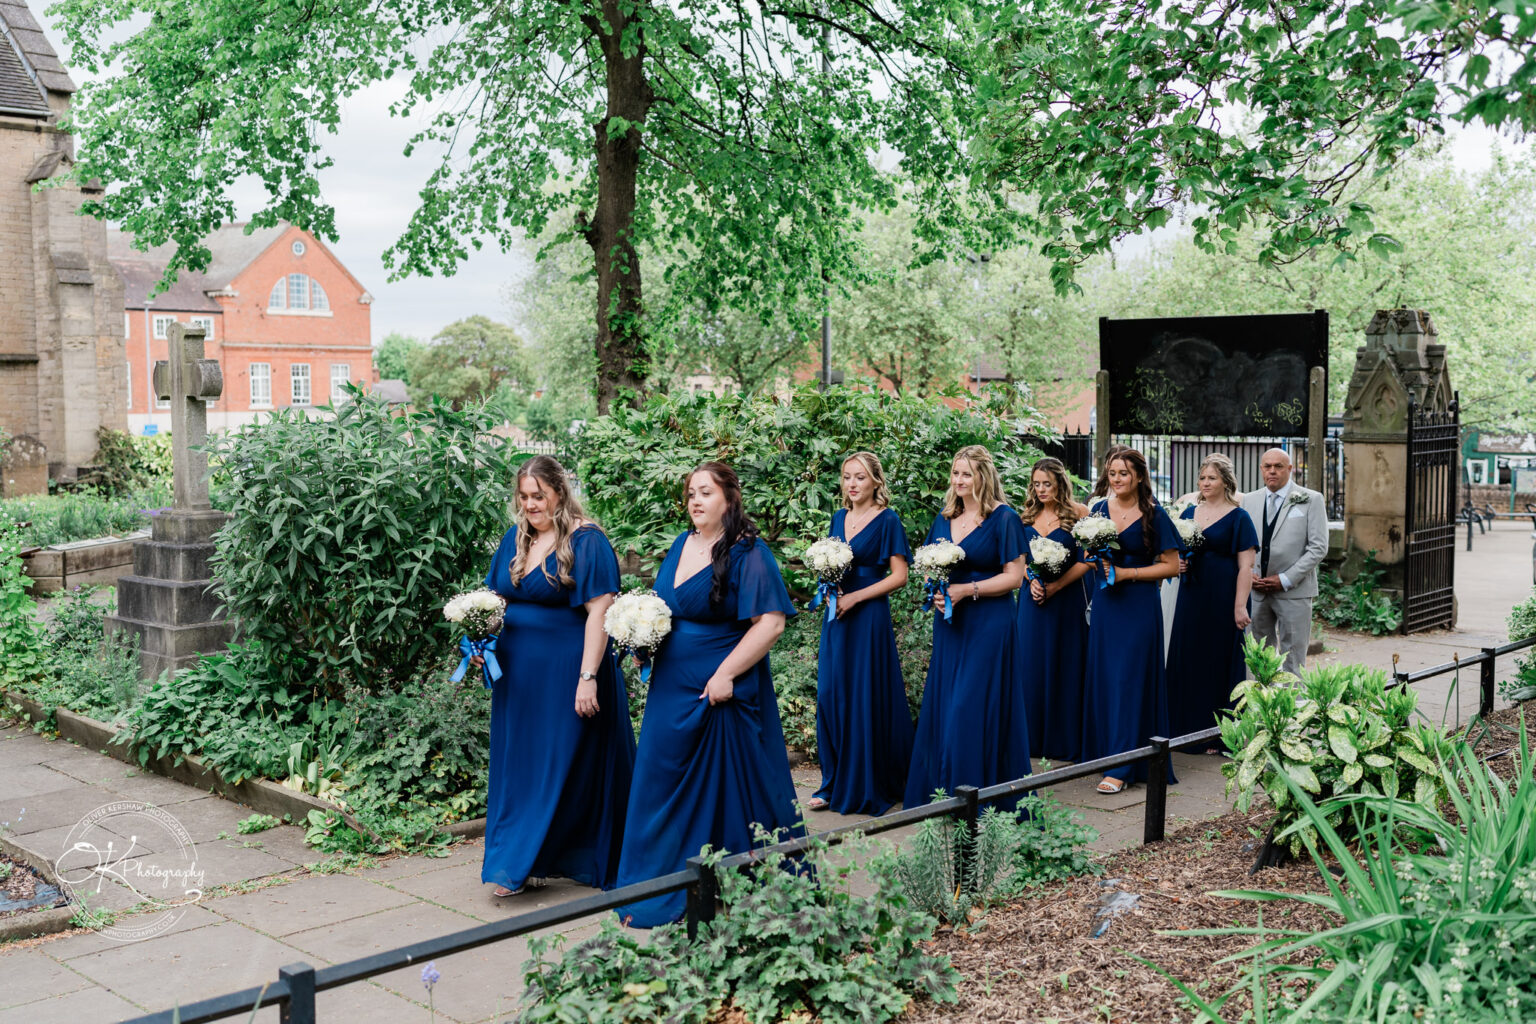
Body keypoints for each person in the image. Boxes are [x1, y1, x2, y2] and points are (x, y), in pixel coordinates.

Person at [615, 462, 800, 927]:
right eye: (691, 493)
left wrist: (725, 674)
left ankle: (737, 880)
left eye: (705, 492)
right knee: (660, 780)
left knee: (733, 787)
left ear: (729, 499)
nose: (695, 501)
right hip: (670, 688)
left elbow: (771, 623)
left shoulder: (749, 553)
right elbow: (668, 609)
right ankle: (662, 883)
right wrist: (645, 643)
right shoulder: (682, 544)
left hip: (722, 689)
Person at [476, 456, 636, 897]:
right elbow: (493, 602)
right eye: (524, 497)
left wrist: (588, 676)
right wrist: (478, 644)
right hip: (518, 679)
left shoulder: (587, 542)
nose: (530, 505)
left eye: (538, 496)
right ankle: (521, 862)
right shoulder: (515, 539)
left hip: (568, 669)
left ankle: (529, 861)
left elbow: (599, 611)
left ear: (559, 494)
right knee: (520, 767)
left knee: (562, 765)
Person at [904, 445, 1032, 809]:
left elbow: (1015, 578)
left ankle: (975, 794)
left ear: (983, 477)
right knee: (946, 704)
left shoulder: (1004, 518)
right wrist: (938, 591)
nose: (959, 480)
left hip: (989, 623)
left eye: (966, 474)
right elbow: (929, 567)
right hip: (951, 624)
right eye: (956, 473)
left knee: (970, 705)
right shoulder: (944, 518)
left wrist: (966, 589)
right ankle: (944, 791)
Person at [809, 452, 914, 816]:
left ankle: (866, 783)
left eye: (860, 478)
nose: (852, 484)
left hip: (868, 616)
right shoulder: (838, 517)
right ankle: (832, 781)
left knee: (863, 695)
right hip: (837, 616)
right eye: (847, 477)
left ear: (875, 482)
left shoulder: (888, 521)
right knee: (830, 694)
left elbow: (899, 576)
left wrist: (855, 596)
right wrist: (830, 587)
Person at [1081, 448, 1181, 794]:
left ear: (1139, 476)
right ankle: (1105, 755)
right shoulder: (1097, 510)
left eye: (1124, 473)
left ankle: (1122, 766)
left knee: (1129, 679)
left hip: (1138, 606)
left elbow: (1171, 566)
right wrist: (1095, 556)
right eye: (1112, 473)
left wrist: (1127, 572)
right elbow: (1087, 556)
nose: (1117, 479)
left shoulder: (1154, 515)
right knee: (1107, 679)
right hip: (1107, 605)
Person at [1165, 453, 1259, 746]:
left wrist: (1240, 605)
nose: (1205, 483)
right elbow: (1172, 553)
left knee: (1219, 661)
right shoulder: (1188, 513)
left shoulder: (1239, 516)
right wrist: (1177, 563)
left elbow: (1246, 566)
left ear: (1225, 481)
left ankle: (1221, 736)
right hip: (1192, 594)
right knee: (1189, 657)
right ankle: (1185, 732)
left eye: (1212, 478)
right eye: (1203, 478)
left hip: (1224, 596)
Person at [1016, 457, 1092, 763]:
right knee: (1030, 664)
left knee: (1067, 662)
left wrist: (1056, 586)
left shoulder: (1079, 513)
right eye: (1037, 484)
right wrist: (1031, 579)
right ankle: (1030, 740)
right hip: (1032, 602)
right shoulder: (1023, 517)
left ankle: (1066, 740)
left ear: (1060, 482)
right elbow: (1015, 559)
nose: (1041, 489)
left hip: (1066, 599)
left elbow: (1087, 560)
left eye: (1047, 483)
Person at [1241, 448, 1328, 676]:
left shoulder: (1311, 499)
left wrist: (1285, 579)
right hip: (1256, 590)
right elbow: (1241, 545)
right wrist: (1247, 575)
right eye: (1267, 466)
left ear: (1289, 469)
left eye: (1278, 466)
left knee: (1294, 658)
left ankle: (1295, 708)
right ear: (1261, 469)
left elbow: (1318, 547)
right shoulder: (1248, 501)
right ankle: (1260, 706)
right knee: (1258, 657)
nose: (1272, 471)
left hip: (1294, 591)